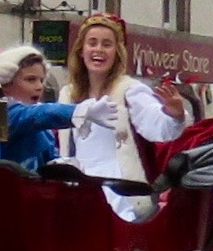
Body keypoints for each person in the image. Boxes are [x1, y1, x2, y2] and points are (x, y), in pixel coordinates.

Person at [62, 12, 189, 220]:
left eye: (107, 44)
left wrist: (173, 114)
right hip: (79, 184)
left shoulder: (129, 90)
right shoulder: (68, 94)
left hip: (118, 187)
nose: (98, 50)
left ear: (117, 52)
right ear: (81, 50)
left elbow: (155, 124)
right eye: (92, 43)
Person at [0, 45, 81, 172]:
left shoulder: (42, 127)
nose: (39, 86)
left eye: (41, 80)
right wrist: (79, 111)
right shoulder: (3, 115)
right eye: (31, 79)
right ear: (6, 84)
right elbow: (36, 115)